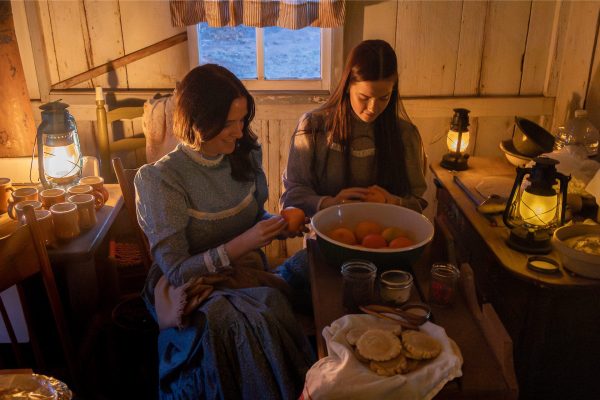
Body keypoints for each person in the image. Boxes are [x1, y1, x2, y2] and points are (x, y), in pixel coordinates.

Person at [134, 64, 314, 400]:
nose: (239, 131)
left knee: (306, 271)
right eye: (228, 123)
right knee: (241, 317)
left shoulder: (243, 152)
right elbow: (176, 271)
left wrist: (277, 224)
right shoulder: (161, 179)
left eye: (242, 119)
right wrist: (243, 243)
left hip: (241, 267)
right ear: (198, 123)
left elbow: (251, 216)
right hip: (189, 287)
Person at [280, 39, 428, 217]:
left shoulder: (405, 134)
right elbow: (291, 197)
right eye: (364, 97)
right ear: (348, 86)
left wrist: (392, 202)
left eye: (384, 98)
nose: (373, 108)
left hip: (385, 238)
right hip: (327, 233)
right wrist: (330, 204)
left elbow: (417, 202)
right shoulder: (313, 127)